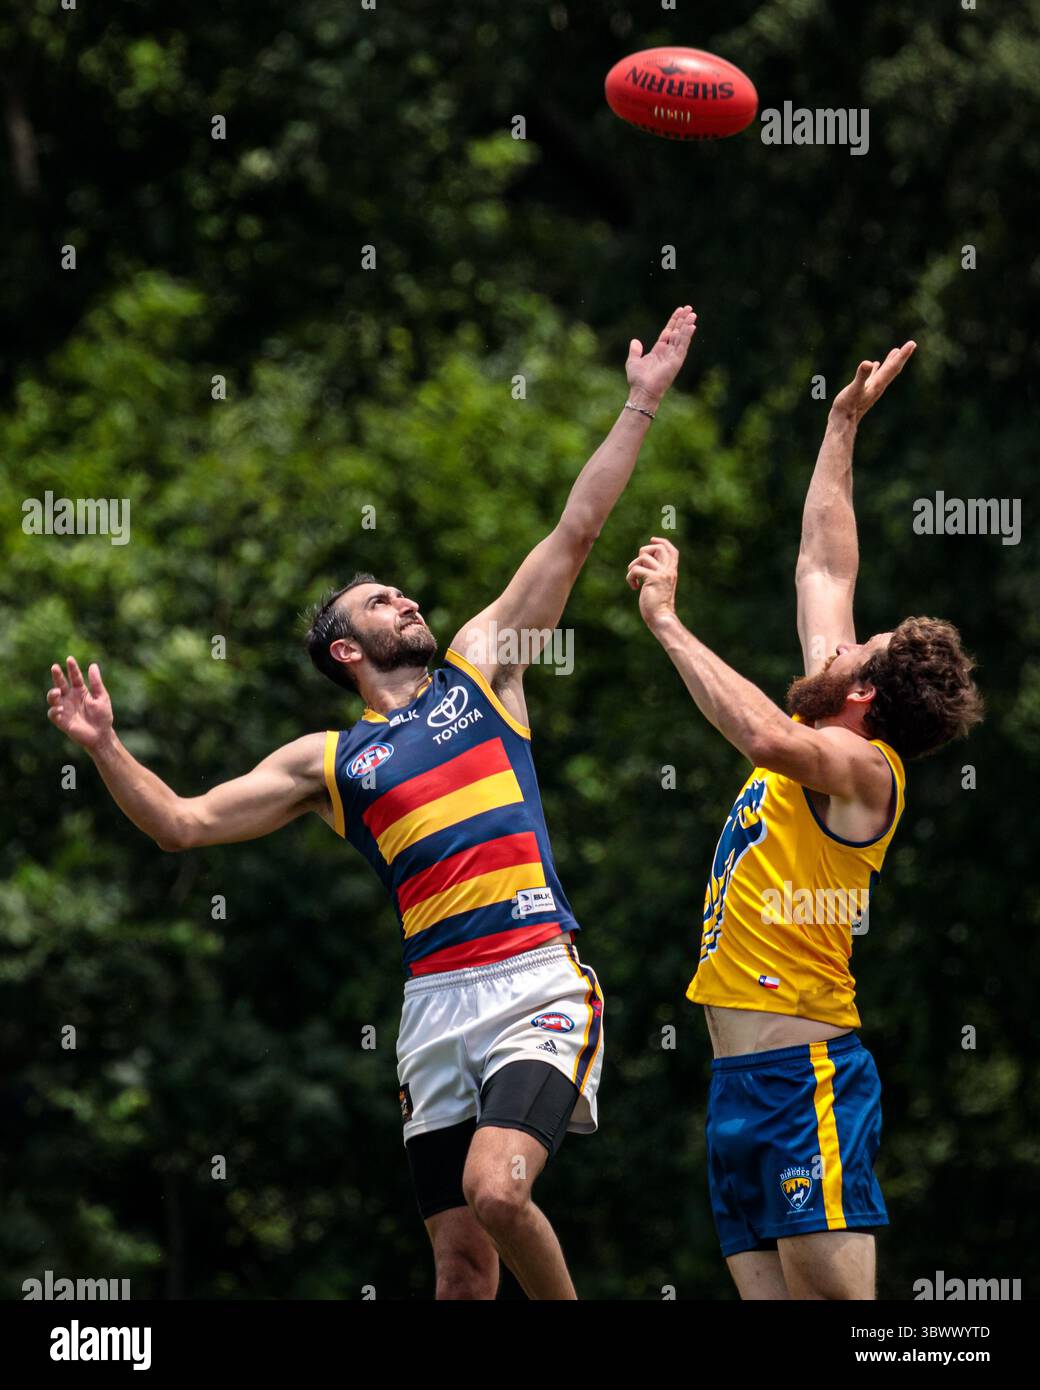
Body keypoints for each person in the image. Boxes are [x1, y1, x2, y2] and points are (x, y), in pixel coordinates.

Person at [47, 305, 698, 1300]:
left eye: (403, 593)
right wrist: (104, 747)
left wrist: (638, 403)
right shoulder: (328, 761)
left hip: (534, 980)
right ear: (345, 650)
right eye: (380, 602)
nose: (407, 602)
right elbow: (180, 823)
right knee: (457, 1267)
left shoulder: (483, 668)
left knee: (495, 1191)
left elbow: (576, 528)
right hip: (433, 1005)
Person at [626, 342, 983, 1299]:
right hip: (738, 1093)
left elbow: (760, 739)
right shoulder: (833, 714)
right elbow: (825, 559)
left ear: (862, 690)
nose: (841, 630)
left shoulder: (858, 765)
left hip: (805, 1083)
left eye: (858, 644)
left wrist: (667, 621)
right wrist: (841, 424)